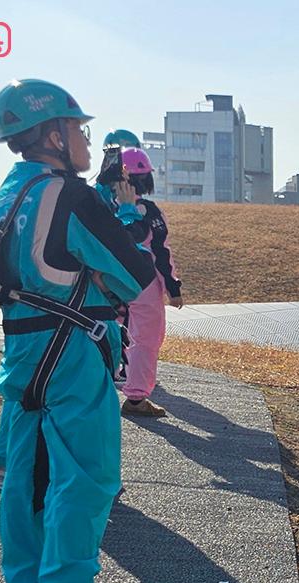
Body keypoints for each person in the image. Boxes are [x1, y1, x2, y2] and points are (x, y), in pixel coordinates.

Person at [0, 79, 155, 583]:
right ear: (54, 135)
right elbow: (133, 274)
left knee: (27, 475)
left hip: (22, 349)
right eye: (79, 130)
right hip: (73, 353)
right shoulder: (72, 195)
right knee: (84, 480)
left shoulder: (12, 189)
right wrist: (126, 212)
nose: (86, 141)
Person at [117, 146, 183, 417]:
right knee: (146, 339)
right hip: (143, 283)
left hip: (107, 282)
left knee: (112, 331)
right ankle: (136, 399)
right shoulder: (149, 211)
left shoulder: (103, 206)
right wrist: (173, 288)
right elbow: (160, 252)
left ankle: (114, 377)